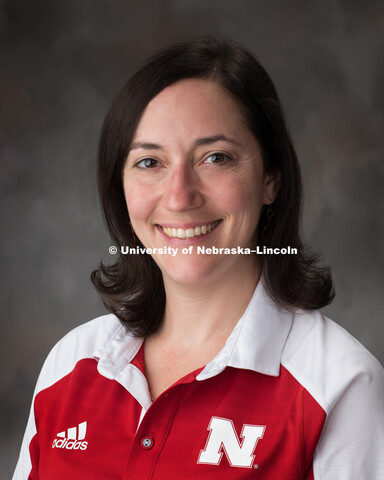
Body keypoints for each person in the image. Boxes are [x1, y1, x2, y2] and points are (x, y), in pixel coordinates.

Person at [13, 37, 384, 479]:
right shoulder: (70, 364)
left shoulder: (339, 385)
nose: (179, 196)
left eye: (215, 157)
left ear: (271, 179)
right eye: (150, 162)